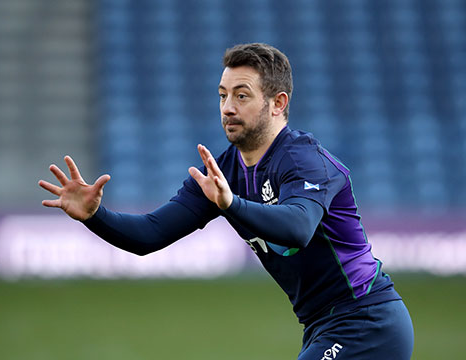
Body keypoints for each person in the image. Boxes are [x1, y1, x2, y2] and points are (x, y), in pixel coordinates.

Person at [39, 43, 414, 359]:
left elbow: (297, 229)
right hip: (322, 326)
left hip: (368, 321)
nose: (227, 107)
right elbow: (149, 235)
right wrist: (94, 215)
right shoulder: (223, 172)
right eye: (222, 95)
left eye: (242, 95)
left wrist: (232, 204)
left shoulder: (303, 160)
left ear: (278, 103)